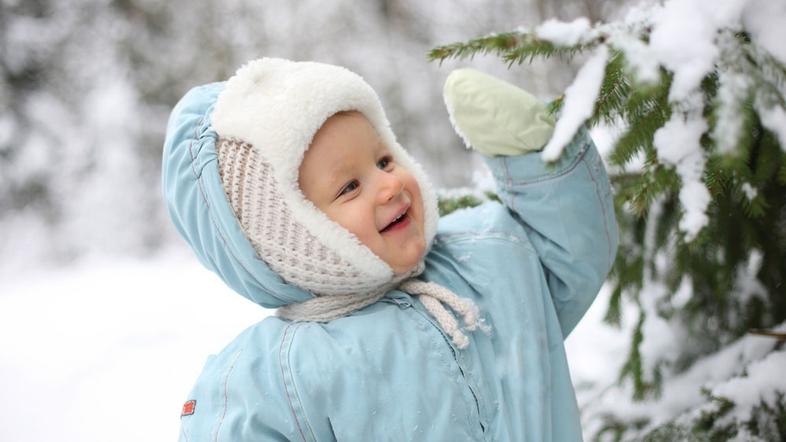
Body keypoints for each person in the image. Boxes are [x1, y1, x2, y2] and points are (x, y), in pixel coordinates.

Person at [162, 58, 618, 441]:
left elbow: (569, 258)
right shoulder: (279, 376)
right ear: (289, 240)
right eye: (349, 187)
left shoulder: (484, 254)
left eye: (383, 160)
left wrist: (536, 157)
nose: (389, 184)